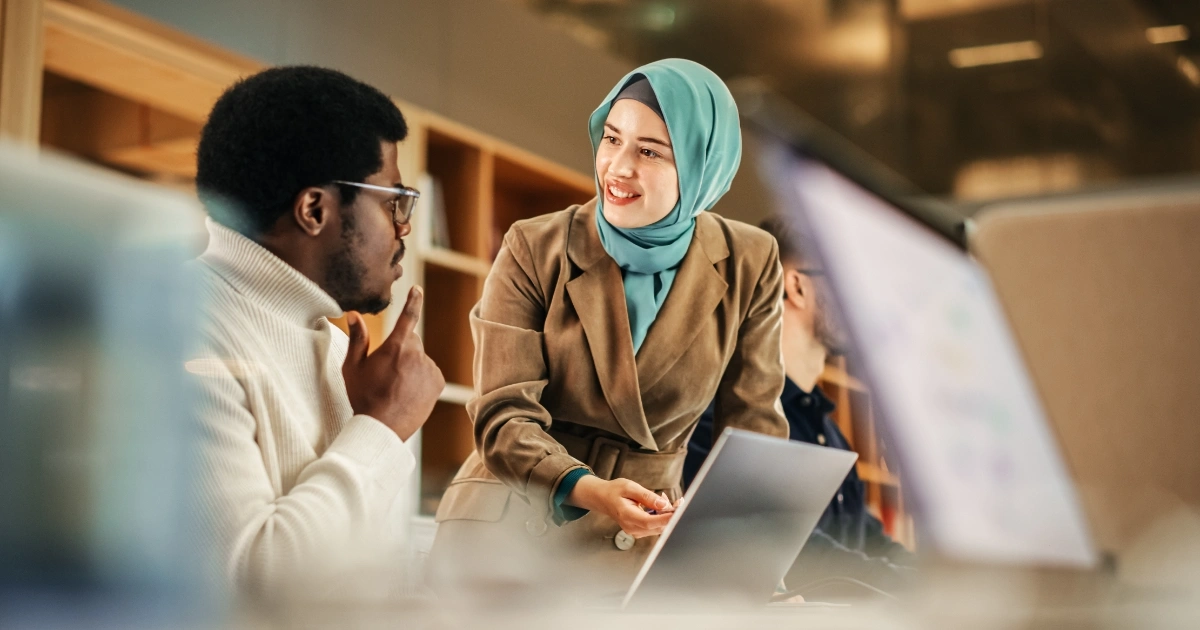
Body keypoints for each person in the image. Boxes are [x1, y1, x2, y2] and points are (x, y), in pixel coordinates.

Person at [428, 59, 789, 593]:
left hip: (640, 548)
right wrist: (591, 489)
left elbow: (754, 440)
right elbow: (503, 417)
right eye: (612, 139)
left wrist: (761, 578)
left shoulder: (750, 260)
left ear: (701, 165)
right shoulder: (535, 245)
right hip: (512, 533)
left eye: (649, 152)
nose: (617, 168)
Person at [187, 66, 444, 596]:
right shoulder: (182, 330)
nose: (404, 227)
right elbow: (252, 586)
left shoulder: (338, 351)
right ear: (314, 209)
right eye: (393, 201)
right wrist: (381, 428)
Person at [684, 215, 914, 594]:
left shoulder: (829, 432)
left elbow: (869, 539)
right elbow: (787, 555)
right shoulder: (723, 417)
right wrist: (909, 587)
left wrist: (935, 577)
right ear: (797, 286)